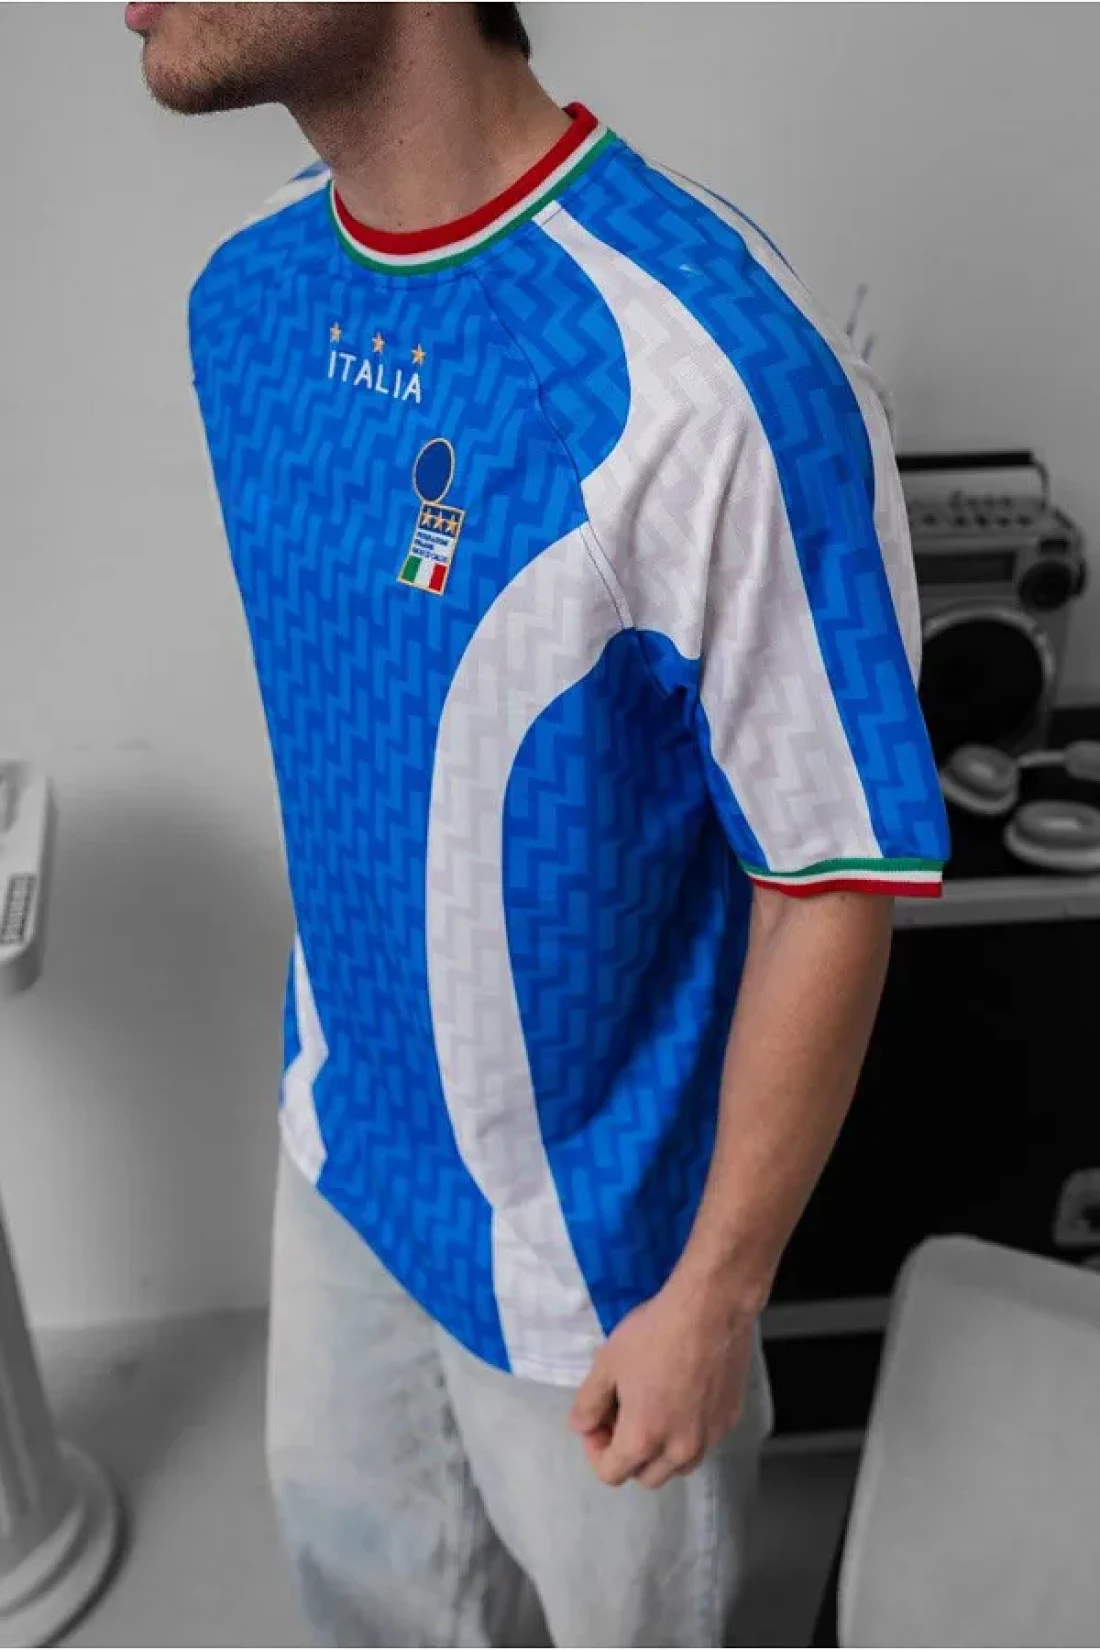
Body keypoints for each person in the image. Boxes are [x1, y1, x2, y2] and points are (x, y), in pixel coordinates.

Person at [127, 3, 951, 1644]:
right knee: (364, 1597)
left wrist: (716, 1292)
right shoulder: (244, 303)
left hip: (604, 1256)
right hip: (343, 1145)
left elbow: (827, 871)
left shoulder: (714, 371)